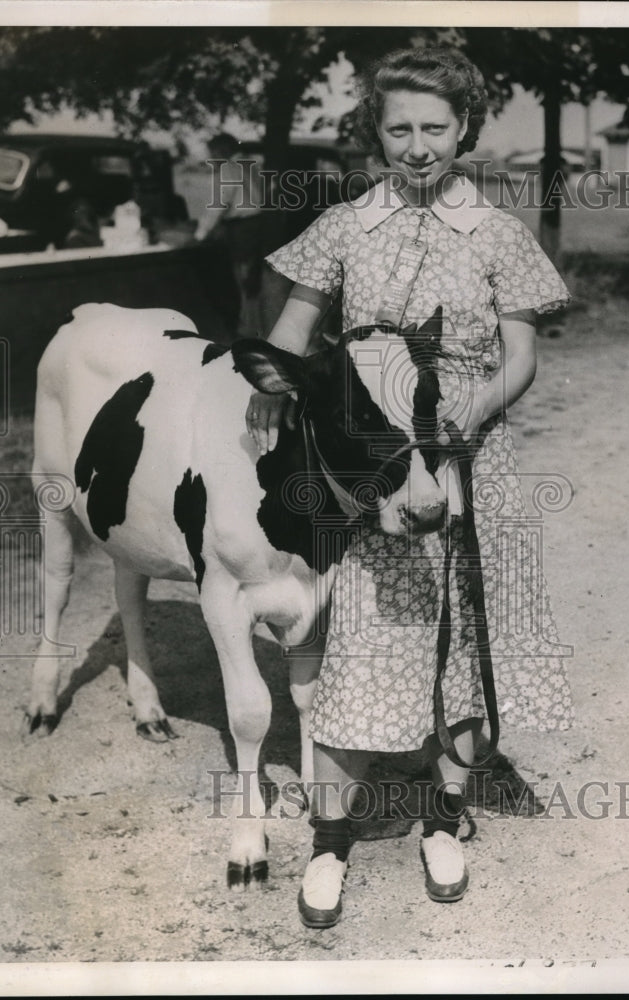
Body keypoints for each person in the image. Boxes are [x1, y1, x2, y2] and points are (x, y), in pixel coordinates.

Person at [246, 46, 574, 929]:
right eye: (400, 128)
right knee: (360, 644)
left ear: (463, 129)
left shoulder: (498, 231)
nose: (419, 146)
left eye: (436, 127)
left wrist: (473, 404)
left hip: (469, 461)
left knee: (459, 650)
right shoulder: (348, 224)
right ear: (375, 133)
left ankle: (443, 817)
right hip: (373, 471)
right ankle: (329, 841)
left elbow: (522, 357)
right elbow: (295, 324)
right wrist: (267, 396)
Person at [194, 132, 270, 337]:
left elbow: (219, 203)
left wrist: (200, 234)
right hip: (258, 225)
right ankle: (257, 329)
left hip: (241, 230)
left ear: (221, 151)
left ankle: (246, 332)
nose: (210, 159)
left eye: (212, 153)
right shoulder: (251, 164)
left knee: (244, 281)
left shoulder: (228, 168)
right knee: (255, 281)